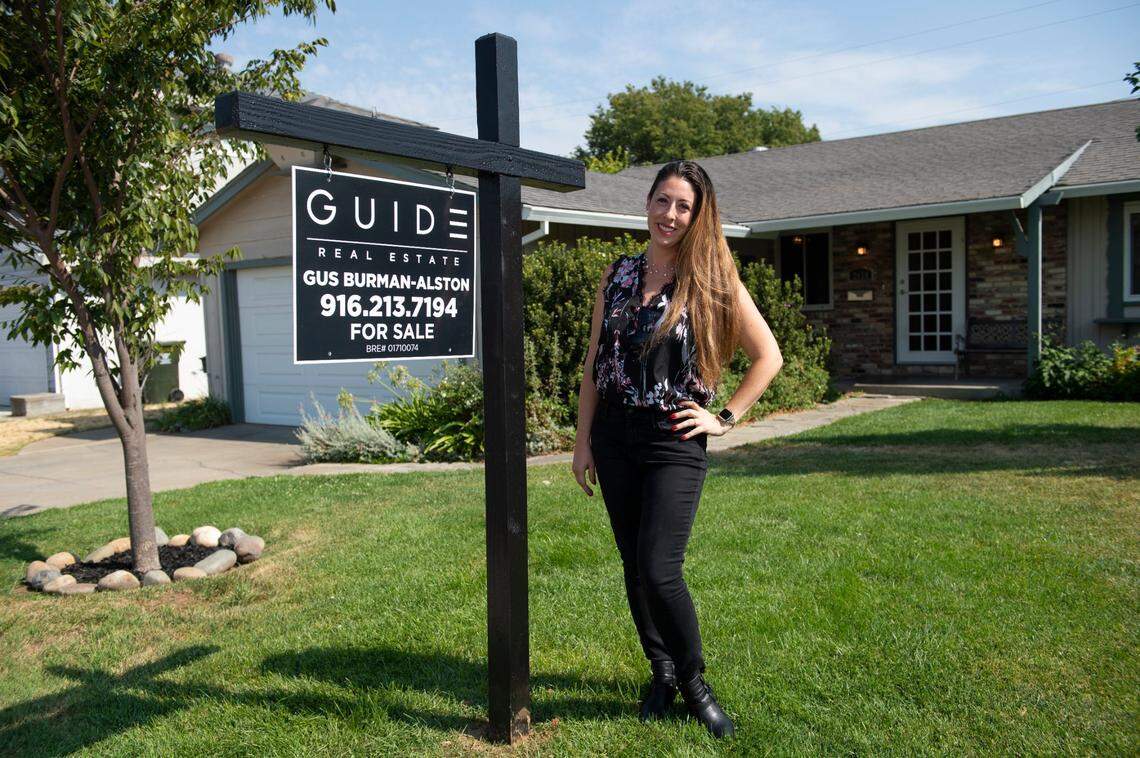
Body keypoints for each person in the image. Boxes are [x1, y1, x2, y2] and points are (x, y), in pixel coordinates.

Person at [571, 159, 784, 739]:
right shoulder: (618, 275)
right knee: (633, 567)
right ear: (647, 203)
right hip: (614, 436)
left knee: (659, 568)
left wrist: (725, 418)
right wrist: (583, 440)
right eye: (662, 200)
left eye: (683, 206)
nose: (669, 214)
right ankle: (660, 672)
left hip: (674, 439)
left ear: (697, 216)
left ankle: (694, 683)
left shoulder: (711, 280)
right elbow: (594, 364)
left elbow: (768, 356)